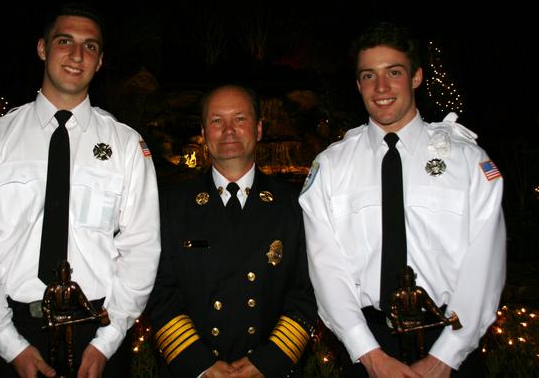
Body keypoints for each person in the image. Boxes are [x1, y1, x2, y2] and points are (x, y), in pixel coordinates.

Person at [0, 2, 161, 377]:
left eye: (90, 46)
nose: (77, 55)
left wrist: (108, 340)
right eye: (65, 41)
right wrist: (7, 342)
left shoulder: (126, 145)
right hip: (11, 329)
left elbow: (142, 248)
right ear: (42, 49)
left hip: (98, 334)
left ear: (100, 61)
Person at [299, 21, 505, 377]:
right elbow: (326, 267)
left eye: (394, 72)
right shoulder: (332, 167)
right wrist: (370, 354)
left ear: (416, 77)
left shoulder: (467, 160)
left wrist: (446, 356)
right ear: (358, 84)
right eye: (368, 75)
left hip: (450, 340)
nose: (381, 87)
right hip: (369, 346)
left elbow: (484, 263)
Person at [146, 84, 318, 377]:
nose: (228, 130)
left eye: (240, 119)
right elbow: (158, 290)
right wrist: (199, 364)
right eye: (216, 121)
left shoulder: (296, 205)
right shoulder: (170, 205)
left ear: (259, 129)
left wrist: (268, 362)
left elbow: (308, 291)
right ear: (203, 132)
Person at [42, 260, 111, 375]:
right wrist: (49, 320)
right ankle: (51, 368)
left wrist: (93, 314)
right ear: (57, 274)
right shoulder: (52, 288)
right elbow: (46, 305)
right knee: (53, 346)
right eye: (61, 273)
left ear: (69, 273)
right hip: (56, 319)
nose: (64, 275)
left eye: (66, 272)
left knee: (70, 346)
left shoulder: (73, 287)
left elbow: (83, 302)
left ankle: (71, 369)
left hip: (70, 318)